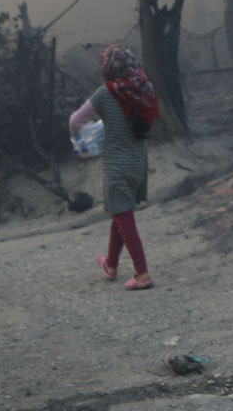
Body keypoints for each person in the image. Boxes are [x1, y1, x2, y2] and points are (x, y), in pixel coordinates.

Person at [69, 44, 158, 291]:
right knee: (120, 213)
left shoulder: (106, 93)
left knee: (124, 218)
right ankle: (110, 265)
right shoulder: (144, 89)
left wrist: (77, 140)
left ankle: (142, 274)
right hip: (139, 163)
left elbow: (75, 120)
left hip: (117, 165)